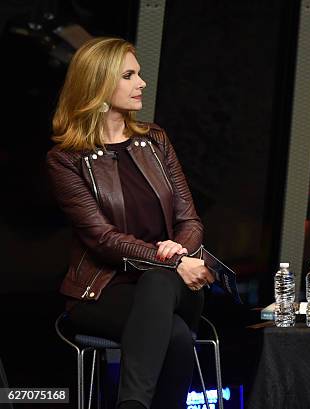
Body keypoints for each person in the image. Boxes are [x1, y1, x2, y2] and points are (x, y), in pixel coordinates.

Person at [46, 37, 214, 409]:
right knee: (176, 337)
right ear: (98, 85)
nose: (142, 83)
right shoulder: (67, 159)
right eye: (129, 75)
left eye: (138, 73)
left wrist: (178, 256)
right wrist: (169, 258)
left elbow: (189, 219)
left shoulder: (155, 140)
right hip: (105, 289)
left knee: (158, 283)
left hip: (178, 280)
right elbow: (101, 239)